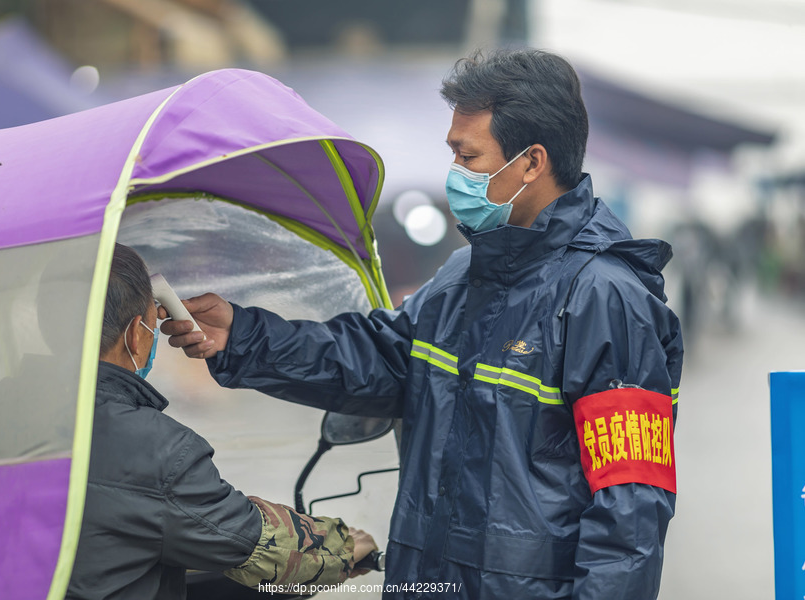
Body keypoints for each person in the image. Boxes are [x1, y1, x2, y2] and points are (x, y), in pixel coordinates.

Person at [161, 48, 683, 599]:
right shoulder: (463, 277)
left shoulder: (606, 299)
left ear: (531, 163)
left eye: (468, 155)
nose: (455, 173)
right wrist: (240, 335)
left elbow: (630, 509)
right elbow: (377, 360)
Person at [66, 243, 377, 600]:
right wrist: (345, 546)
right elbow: (257, 546)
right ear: (137, 334)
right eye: (154, 328)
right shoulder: (153, 448)